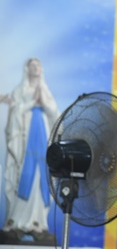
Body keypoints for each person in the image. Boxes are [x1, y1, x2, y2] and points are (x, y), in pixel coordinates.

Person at [1, 58, 59, 242]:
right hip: (25, 141)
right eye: (32, 65)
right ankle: (17, 221)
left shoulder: (45, 91)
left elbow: (55, 115)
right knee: (23, 175)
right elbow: (16, 113)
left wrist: (44, 103)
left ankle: (37, 222)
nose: (36, 68)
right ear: (27, 69)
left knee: (41, 177)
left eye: (38, 65)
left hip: (42, 135)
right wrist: (30, 103)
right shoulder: (20, 91)